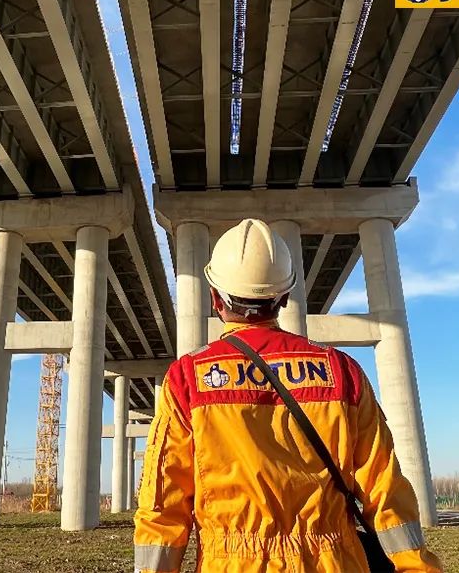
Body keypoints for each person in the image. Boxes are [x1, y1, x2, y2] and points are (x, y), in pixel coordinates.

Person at [134, 219, 442, 573]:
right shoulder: (342, 372)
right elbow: (385, 490)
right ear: (284, 297)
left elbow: (162, 506)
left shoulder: (188, 379)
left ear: (215, 297)